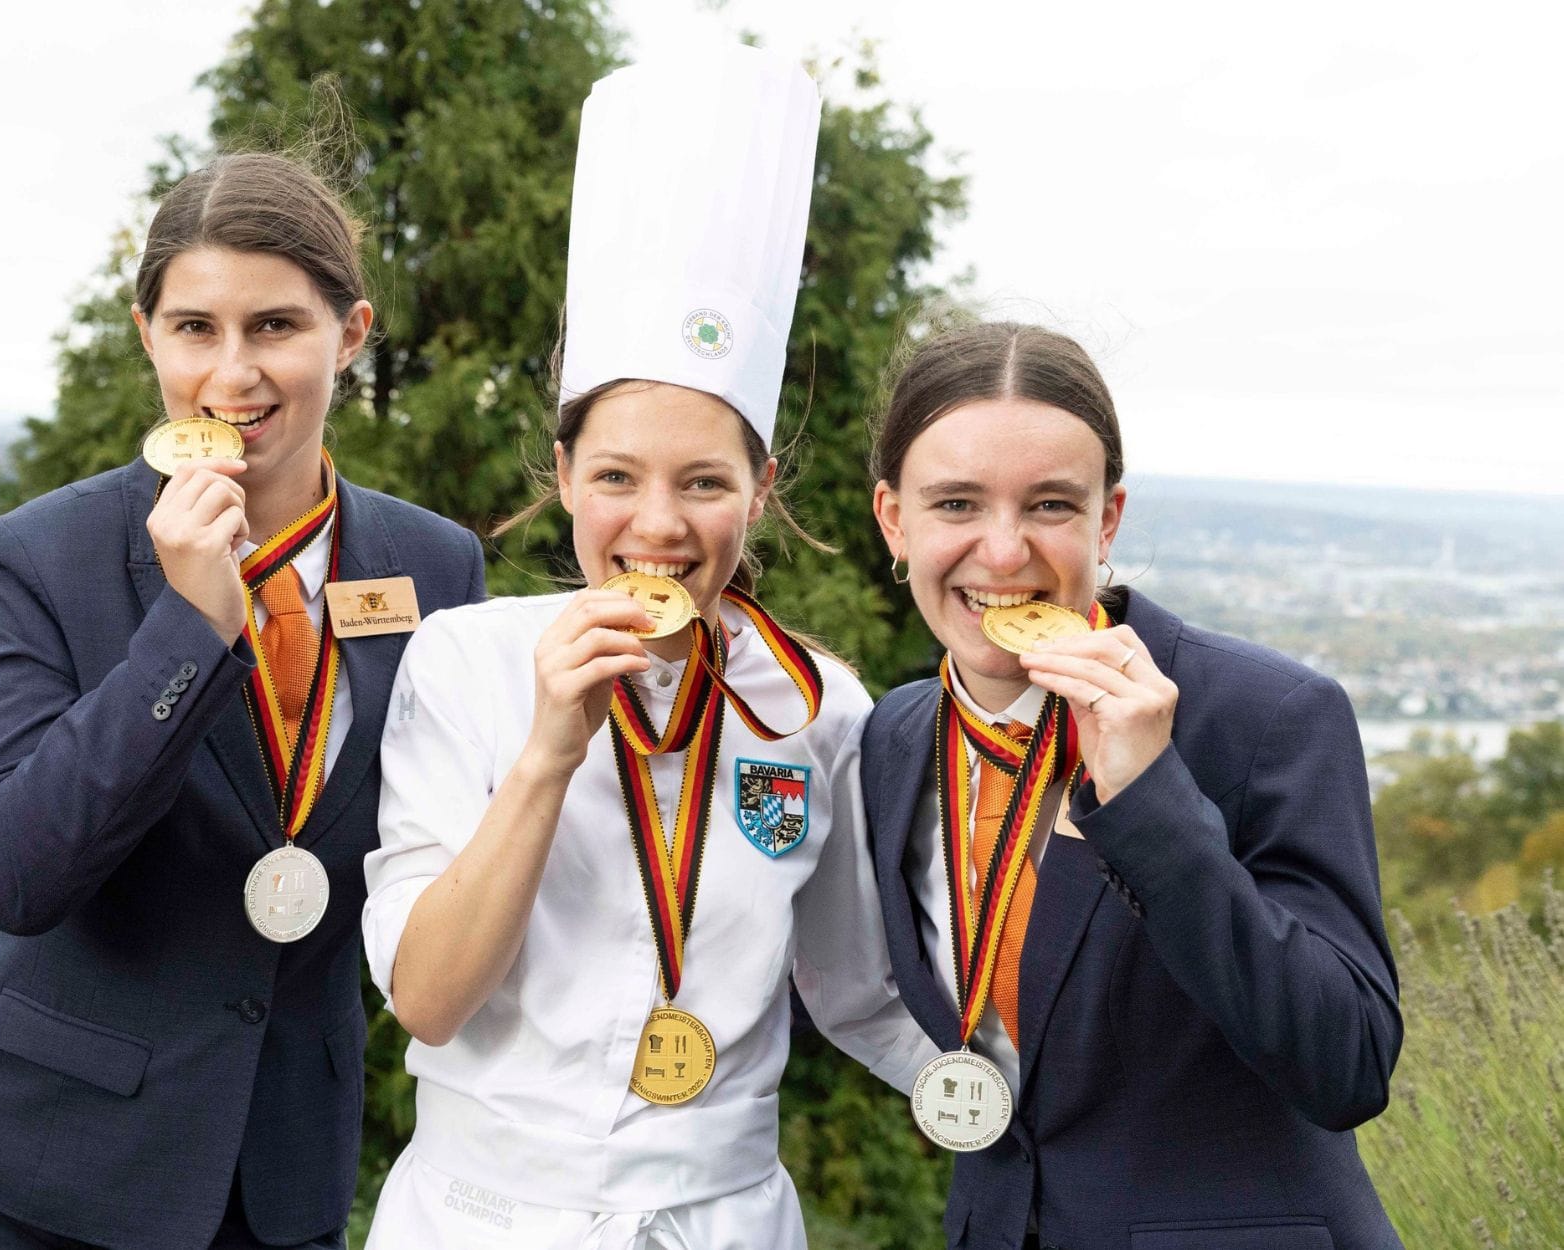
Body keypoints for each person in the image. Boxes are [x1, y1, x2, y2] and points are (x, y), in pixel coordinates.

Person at [360, 46, 938, 1249]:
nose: (659, 525)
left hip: (720, 1220)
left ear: (763, 489)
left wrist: (1037, 1091)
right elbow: (426, 994)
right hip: (480, 1218)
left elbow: (859, 988)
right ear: (563, 473)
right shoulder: (461, 665)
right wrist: (545, 755)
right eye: (617, 475)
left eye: (705, 481)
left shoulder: (815, 705)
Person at [0, 151, 488, 1250]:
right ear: (146, 333)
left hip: (274, 1176)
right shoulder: (49, 552)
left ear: (349, 334)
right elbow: (6, 871)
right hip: (23, 1179)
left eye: (275, 326)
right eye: (195, 328)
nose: (233, 374)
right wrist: (191, 627)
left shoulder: (433, 566)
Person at [861, 321, 1404, 1249]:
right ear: (893, 521)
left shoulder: (1263, 716)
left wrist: (1151, 799)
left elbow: (1345, 1065)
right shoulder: (896, 737)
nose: (1002, 552)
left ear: (1105, 521)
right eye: (956, 504)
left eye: (1049, 506)